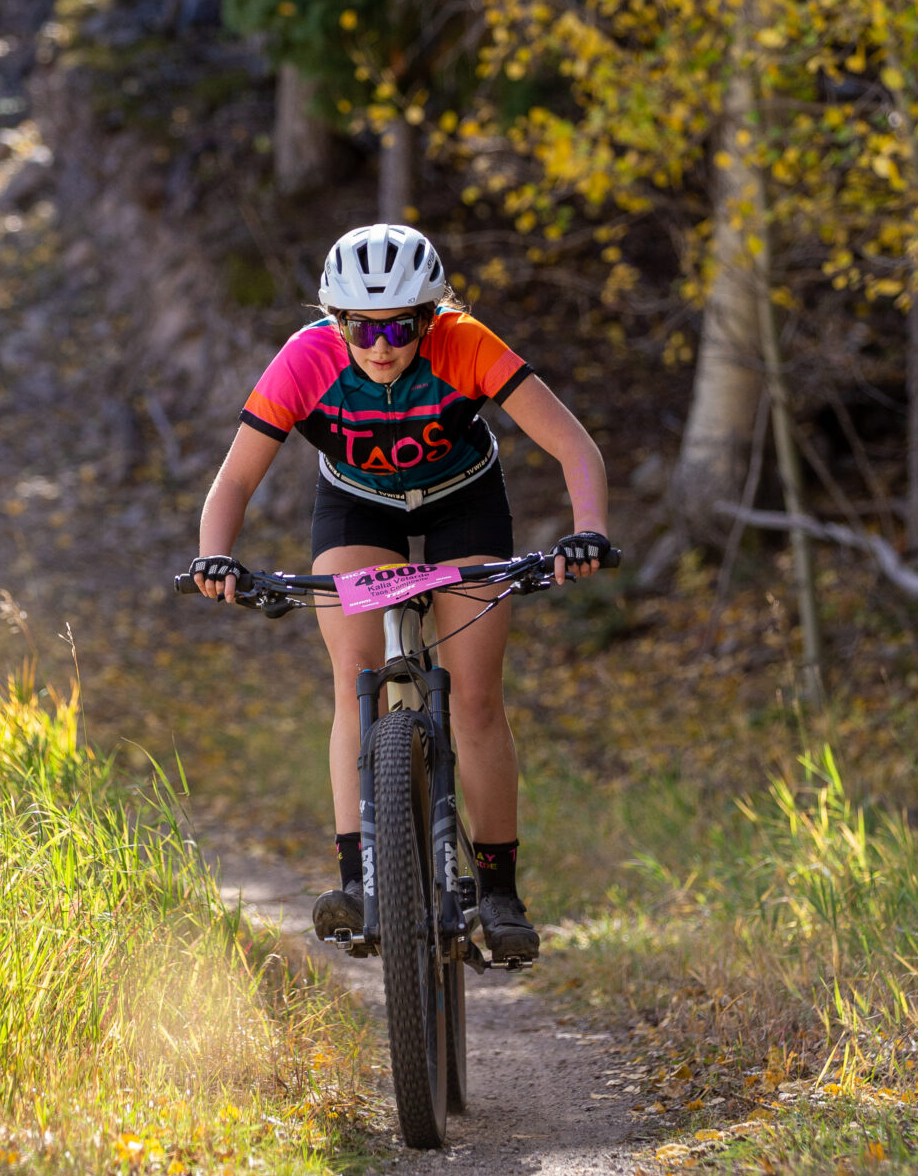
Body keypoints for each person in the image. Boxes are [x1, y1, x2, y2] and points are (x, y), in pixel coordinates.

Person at [189, 221, 609, 964]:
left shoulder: (466, 343)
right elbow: (236, 479)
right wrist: (214, 556)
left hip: (463, 502)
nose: (380, 345)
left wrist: (588, 531)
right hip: (358, 506)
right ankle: (358, 879)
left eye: (400, 327)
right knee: (356, 674)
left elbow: (573, 444)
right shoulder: (305, 359)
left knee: (474, 697)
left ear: (430, 316)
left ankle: (499, 891)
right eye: (362, 327)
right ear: (335, 320)